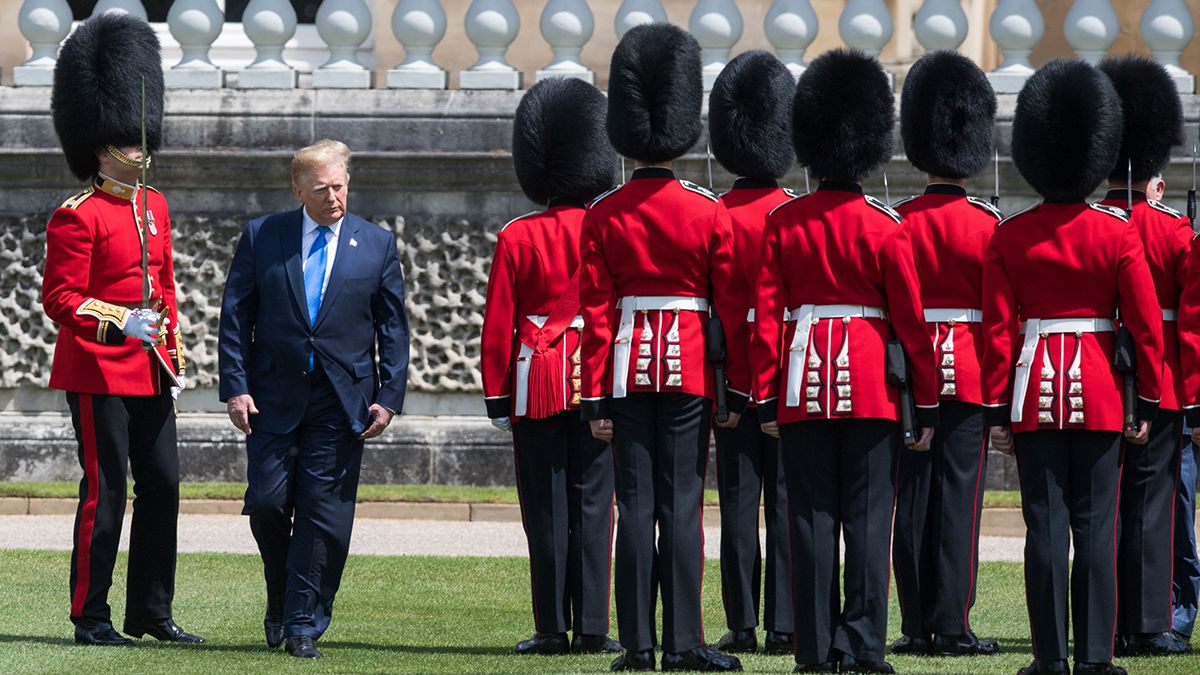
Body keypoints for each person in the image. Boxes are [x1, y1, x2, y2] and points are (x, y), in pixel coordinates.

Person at [750, 48, 938, 674]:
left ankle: (812, 648)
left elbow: (768, 316)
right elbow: (912, 324)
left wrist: (767, 395)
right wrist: (927, 401)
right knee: (866, 522)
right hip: (871, 389)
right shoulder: (887, 226)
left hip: (803, 384)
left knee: (808, 520)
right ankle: (861, 644)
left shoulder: (785, 223)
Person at [981, 59, 1163, 675]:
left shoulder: (1010, 237)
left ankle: (1049, 658)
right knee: (1096, 530)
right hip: (1102, 395)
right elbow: (1141, 325)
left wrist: (996, 408)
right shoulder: (1117, 234)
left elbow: (999, 335)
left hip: (1033, 392)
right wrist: (1153, 399)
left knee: (1044, 529)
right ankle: (1094, 658)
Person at [579, 22, 746, 673]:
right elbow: (729, 305)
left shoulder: (605, 211)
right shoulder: (708, 211)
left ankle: (639, 647)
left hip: (623, 367)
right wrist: (730, 384)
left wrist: (592, 391)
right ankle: (684, 641)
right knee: (681, 507)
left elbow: (595, 311)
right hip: (688, 368)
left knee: (635, 505)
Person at [41, 13, 202, 647]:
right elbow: (61, 298)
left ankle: (150, 613)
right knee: (105, 493)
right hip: (97, 370)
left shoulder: (154, 206)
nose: (139, 149)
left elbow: (165, 286)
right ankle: (91, 614)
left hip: (150, 368)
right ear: (99, 145)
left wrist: (172, 348)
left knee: (162, 487)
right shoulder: (75, 216)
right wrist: (117, 322)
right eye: (126, 142)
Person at [218, 139, 410, 660]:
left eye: (340, 185)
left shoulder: (376, 244)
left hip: (341, 399)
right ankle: (280, 593)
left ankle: (302, 620)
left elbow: (393, 329)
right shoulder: (264, 236)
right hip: (272, 395)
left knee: (323, 513)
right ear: (298, 189)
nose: (333, 196)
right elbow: (236, 317)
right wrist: (235, 387)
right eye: (322, 187)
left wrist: (389, 397)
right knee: (267, 502)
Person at [480, 77, 620, 657]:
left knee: (545, 506)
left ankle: (551, 628)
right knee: (594, 502)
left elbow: (499, 322)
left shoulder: (518, 234)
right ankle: (592, 626)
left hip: (534, 380)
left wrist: (497, 394)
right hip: (593, 372)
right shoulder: (608, 226)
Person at [889, 50, 1001, 658]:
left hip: (911, 374)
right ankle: (953, 623)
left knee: (912, 500)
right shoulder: (988, 225)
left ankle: (913, 623)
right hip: (973, 369)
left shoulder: (899, 221)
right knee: (961, 499)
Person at [1096, 54, 1193, 658]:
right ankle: (1150, 621)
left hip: (1100, 376)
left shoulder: (1091, 222)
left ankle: (1108, 620)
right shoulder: (1172, 230)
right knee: (1153, 507)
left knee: (1104, 505)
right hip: (1163, 381)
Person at [706, 49, 797, 657]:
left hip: (728, 381)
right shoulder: (794, 213)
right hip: (789, 380)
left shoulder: (713, 214)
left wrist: (731, 387)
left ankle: (741, 622)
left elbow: (712, 311)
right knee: (789, 505)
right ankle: (786, 621)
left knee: (739, 508)